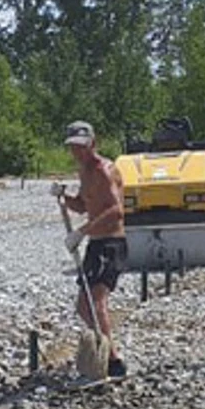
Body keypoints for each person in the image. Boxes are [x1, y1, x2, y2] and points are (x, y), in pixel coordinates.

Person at [55, 120, 129, 379]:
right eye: (73, 147)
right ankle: (107, 353)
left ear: (93, 144)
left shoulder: (104, 170)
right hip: (96, 245)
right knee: (83, 307)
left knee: (96, 303)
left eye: (82, 147)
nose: (77, 152)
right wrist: (64, 197)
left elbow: (115, 211)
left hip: (111, 244)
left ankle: (113, 361)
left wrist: (81, 232)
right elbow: (85, 206)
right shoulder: (84, 172)